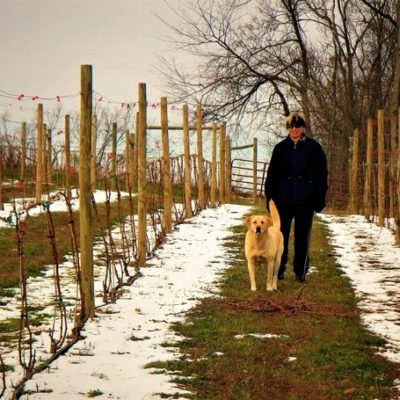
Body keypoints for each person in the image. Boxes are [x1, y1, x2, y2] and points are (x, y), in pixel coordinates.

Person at [264, 111, 328, 282]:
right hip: (283, 199)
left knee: (302, 237)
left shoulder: (314, 148)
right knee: (280, 236)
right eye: (291, 127)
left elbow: (322, 174)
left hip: (306, 199)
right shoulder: (280, 148)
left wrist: (319, 196)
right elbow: (272, 174)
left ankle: (300, 271)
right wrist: (269, 196)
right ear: (287, 128)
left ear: (303, 128)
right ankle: (279, 269)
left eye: (297, 126)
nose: (294, 130)